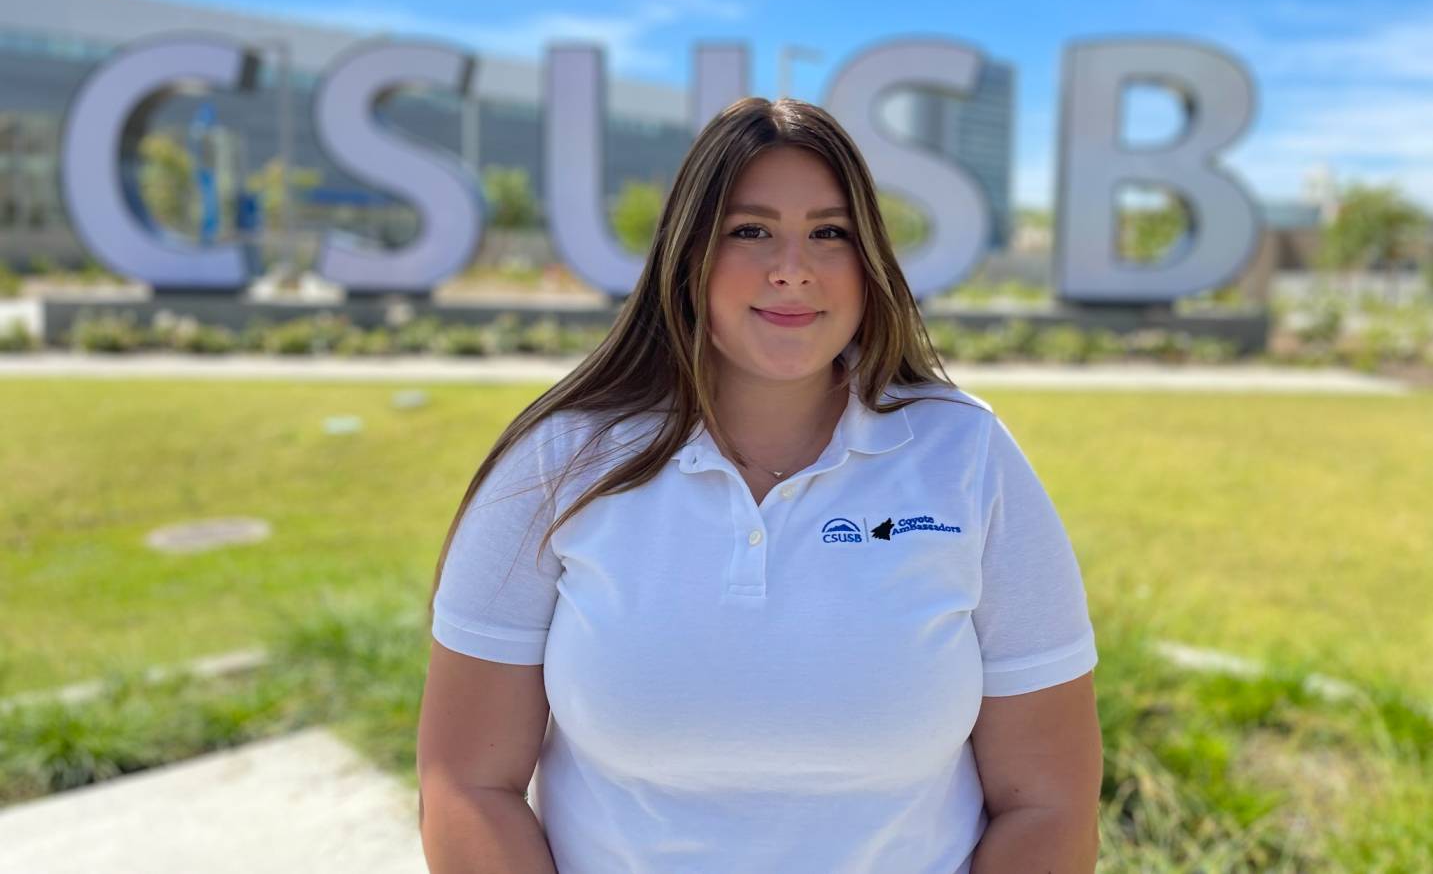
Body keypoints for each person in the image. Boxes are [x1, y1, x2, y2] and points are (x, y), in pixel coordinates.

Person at [416, 97, 1102, 874]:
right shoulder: (560, 460)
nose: (792, 268)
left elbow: (1049, 801)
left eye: (829, 233)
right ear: (688, 256)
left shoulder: (966, 454)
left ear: (869, 262)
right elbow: (465, 782)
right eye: (750, 231)